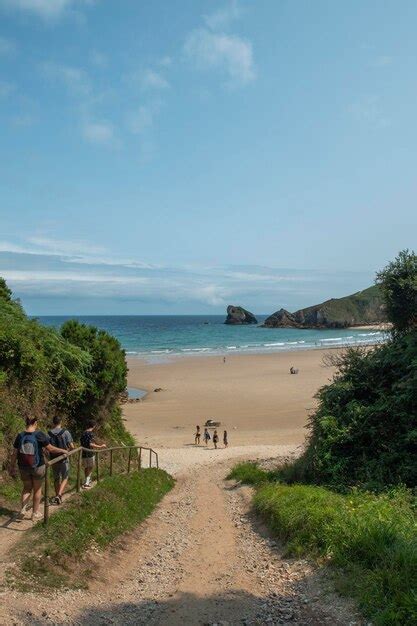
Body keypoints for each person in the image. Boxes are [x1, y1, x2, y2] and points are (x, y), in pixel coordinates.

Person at [9, 417, 69, 522]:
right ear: (35, 423)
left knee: (26, 488)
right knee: (37, 489)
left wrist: (12, 466)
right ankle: (35, 513)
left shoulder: (20, 435)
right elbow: (50, 449)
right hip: (38, 466)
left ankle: (23, 509)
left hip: (23, 467)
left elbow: (14, 453)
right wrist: (63, 450)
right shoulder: (39, 434)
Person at [48, 416, 75, 505]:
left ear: (53, 422)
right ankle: (59, 495)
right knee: (65, 477)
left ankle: (57, 495)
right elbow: (72, 446)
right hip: (63, 458)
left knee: (56, 478)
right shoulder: (65, 432)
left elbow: (46, 448)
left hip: (53, 459)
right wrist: (68, 452)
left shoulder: (48, 433)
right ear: (61, 422)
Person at [80, 421, 106, 488]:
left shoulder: (83, 433)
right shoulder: (91, 434)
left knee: (86, 467)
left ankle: (87, 480)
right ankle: (87, 483)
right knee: (90, 467)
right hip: (90, 453)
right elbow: (91, 444)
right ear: (94, 426)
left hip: (83, 453)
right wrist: (101, 446)